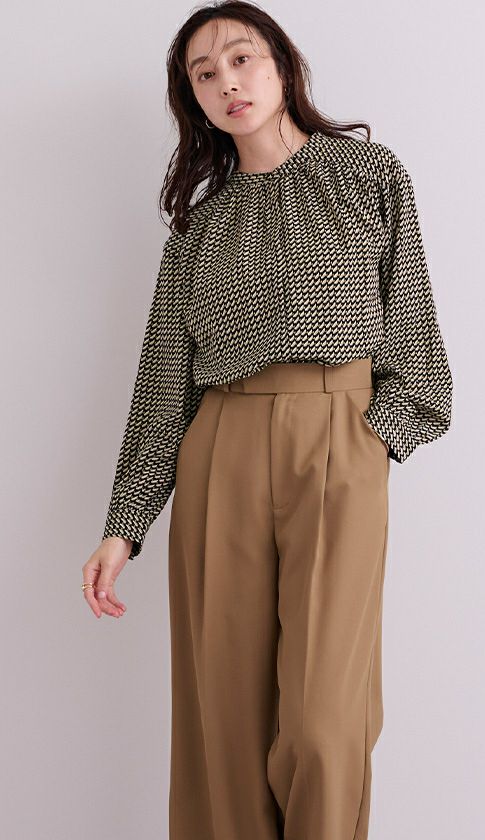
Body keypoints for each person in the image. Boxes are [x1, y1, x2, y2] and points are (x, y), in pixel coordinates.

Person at [81, 2, 453, 838]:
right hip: (222, 451)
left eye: (241, 59)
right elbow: (162, 388)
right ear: (193, 99)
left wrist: (370, 440)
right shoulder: (199, 229)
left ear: (282, 65)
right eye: (204, 74)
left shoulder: (367, 174)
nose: (228, 82)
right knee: (228, 730)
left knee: (323, 728)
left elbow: (417, 344)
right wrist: (123, 527)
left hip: (340, 441)